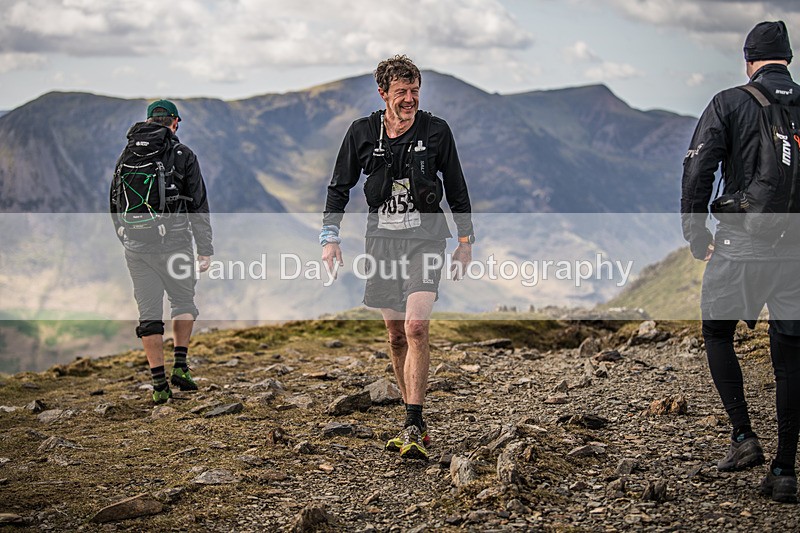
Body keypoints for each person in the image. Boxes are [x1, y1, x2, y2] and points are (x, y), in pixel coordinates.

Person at [321, 55, 475, 460]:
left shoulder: (437, 131)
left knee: (416, 327)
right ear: (383, 93)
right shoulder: (362, 133)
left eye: (415, 92)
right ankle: (413, 417)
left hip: (426, 239)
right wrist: (329, 237)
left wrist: (465, 240)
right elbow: (339, 187)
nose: (409, 99)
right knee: (394, 336)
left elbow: (456, 185)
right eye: (401, 92)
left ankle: (413, 421)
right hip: (381, 243)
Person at [682, 21, 800, 503]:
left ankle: (742, 436)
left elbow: (698, 168)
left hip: (740, 247)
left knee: (716, 331)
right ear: (788, 58)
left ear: (749, 60)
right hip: (795, 251)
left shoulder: (730, 102)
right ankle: (785, 468)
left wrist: (695, 232)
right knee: (790, 353)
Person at [110, 99, 213, 405]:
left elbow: (114, 202)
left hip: (136, 247)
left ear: (147, 121)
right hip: (175, 243)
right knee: (183, 302)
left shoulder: (127, 155)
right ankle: (180, 367)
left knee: (149, 315)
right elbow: (198, 205)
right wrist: (205, 248)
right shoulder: (183, 155)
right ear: (175, 123)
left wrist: (127, 239)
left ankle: (159, 385)